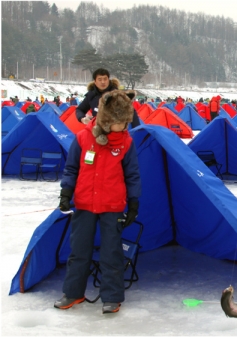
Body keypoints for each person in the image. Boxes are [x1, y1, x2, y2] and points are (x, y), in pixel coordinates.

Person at [54, 89, 141, 314]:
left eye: (126, 122)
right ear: (106, 120)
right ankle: (73, 293)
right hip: (84, 203)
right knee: (79, 250)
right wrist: (66, 193)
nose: (124, 127)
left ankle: (112, 296)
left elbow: (132, 175)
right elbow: (72, 168)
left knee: (111, 252)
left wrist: (133, 203)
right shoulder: (83, 137)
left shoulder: (126, 143)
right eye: (120, 122)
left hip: (112, 206)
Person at [76, 68, 141, 127]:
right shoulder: (91, 95)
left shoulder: (117, 95)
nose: (103, 82)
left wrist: (137, 129)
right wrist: (83, 119)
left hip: (115, 130)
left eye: (105, 79)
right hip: (97, 130)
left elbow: (131, 111)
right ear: (95, 81)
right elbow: (79, 109)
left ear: (108, 80)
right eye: (100, 79)